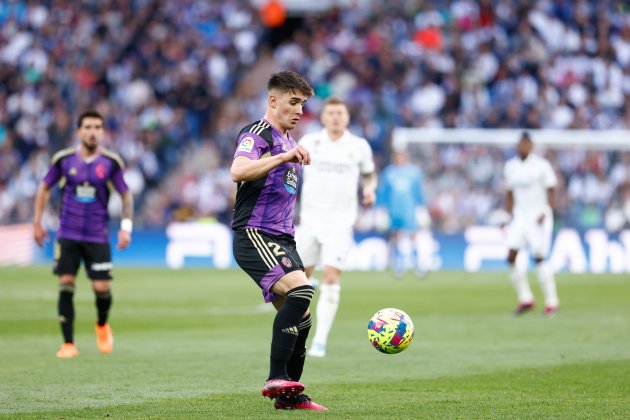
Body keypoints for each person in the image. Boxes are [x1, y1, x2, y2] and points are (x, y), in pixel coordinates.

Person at [230, 71, 326, 411]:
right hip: (254, 233)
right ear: (273, 100)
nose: (300, 110)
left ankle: (289, 398)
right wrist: (284, 157)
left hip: (283, 239)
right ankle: (275, 378)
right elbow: (238, 171)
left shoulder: (288, 142)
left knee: (302, 318)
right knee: (302, 291)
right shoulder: (258, 133)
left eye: (303, 104)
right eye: (293, 102)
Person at [33, 110, 133, 358]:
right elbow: (44, 187)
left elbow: (126, 194)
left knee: (102, 288)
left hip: (97, 235)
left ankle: (101, 324)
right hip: (67, 233)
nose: (93, 131)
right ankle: (68, 344)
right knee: (66, 282)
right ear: (78, 132)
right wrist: (37, 221)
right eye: (88, 127)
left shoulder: (111, 162)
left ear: (103, 132)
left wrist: (125, 227)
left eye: (98, 127)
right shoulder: (64, 160)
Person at [296, 97, 377, 358]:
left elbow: (369, 173)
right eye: (330, 113)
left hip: (340, 223)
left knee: (331, 276)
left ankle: (320, 340)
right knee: (300, 280)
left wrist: (369, 189)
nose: (335, 117)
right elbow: (289, 167)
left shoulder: (358, 146)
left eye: (339, 113)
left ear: (347, 117)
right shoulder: (310, 142)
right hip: (310, 221)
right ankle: (298, 333)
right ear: (323, 117)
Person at [503, 132, 559, 317]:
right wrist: (507, 215)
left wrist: (546, 210)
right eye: (521, 144)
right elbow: (509, 193)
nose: (523, 147)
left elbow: (552, 189)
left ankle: (552, 301)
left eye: (526, 144)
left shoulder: (542, 166)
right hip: (520, 217)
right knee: (511, 256)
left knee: (539, 257)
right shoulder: (510, 167)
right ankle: (525, 298)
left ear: (531, 146)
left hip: (538, 216)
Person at [377, 149, 430, 277]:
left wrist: (421, 208)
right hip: (394, 210)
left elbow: (419, 192)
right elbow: (383, 192)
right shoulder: (389, 173)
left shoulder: (413, 173)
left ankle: (417, 264)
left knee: (413, 236)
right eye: (397, 156)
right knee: (394, 236)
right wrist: (381, 209)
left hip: (409, 209)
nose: (399, 159)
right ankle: (397, 264)